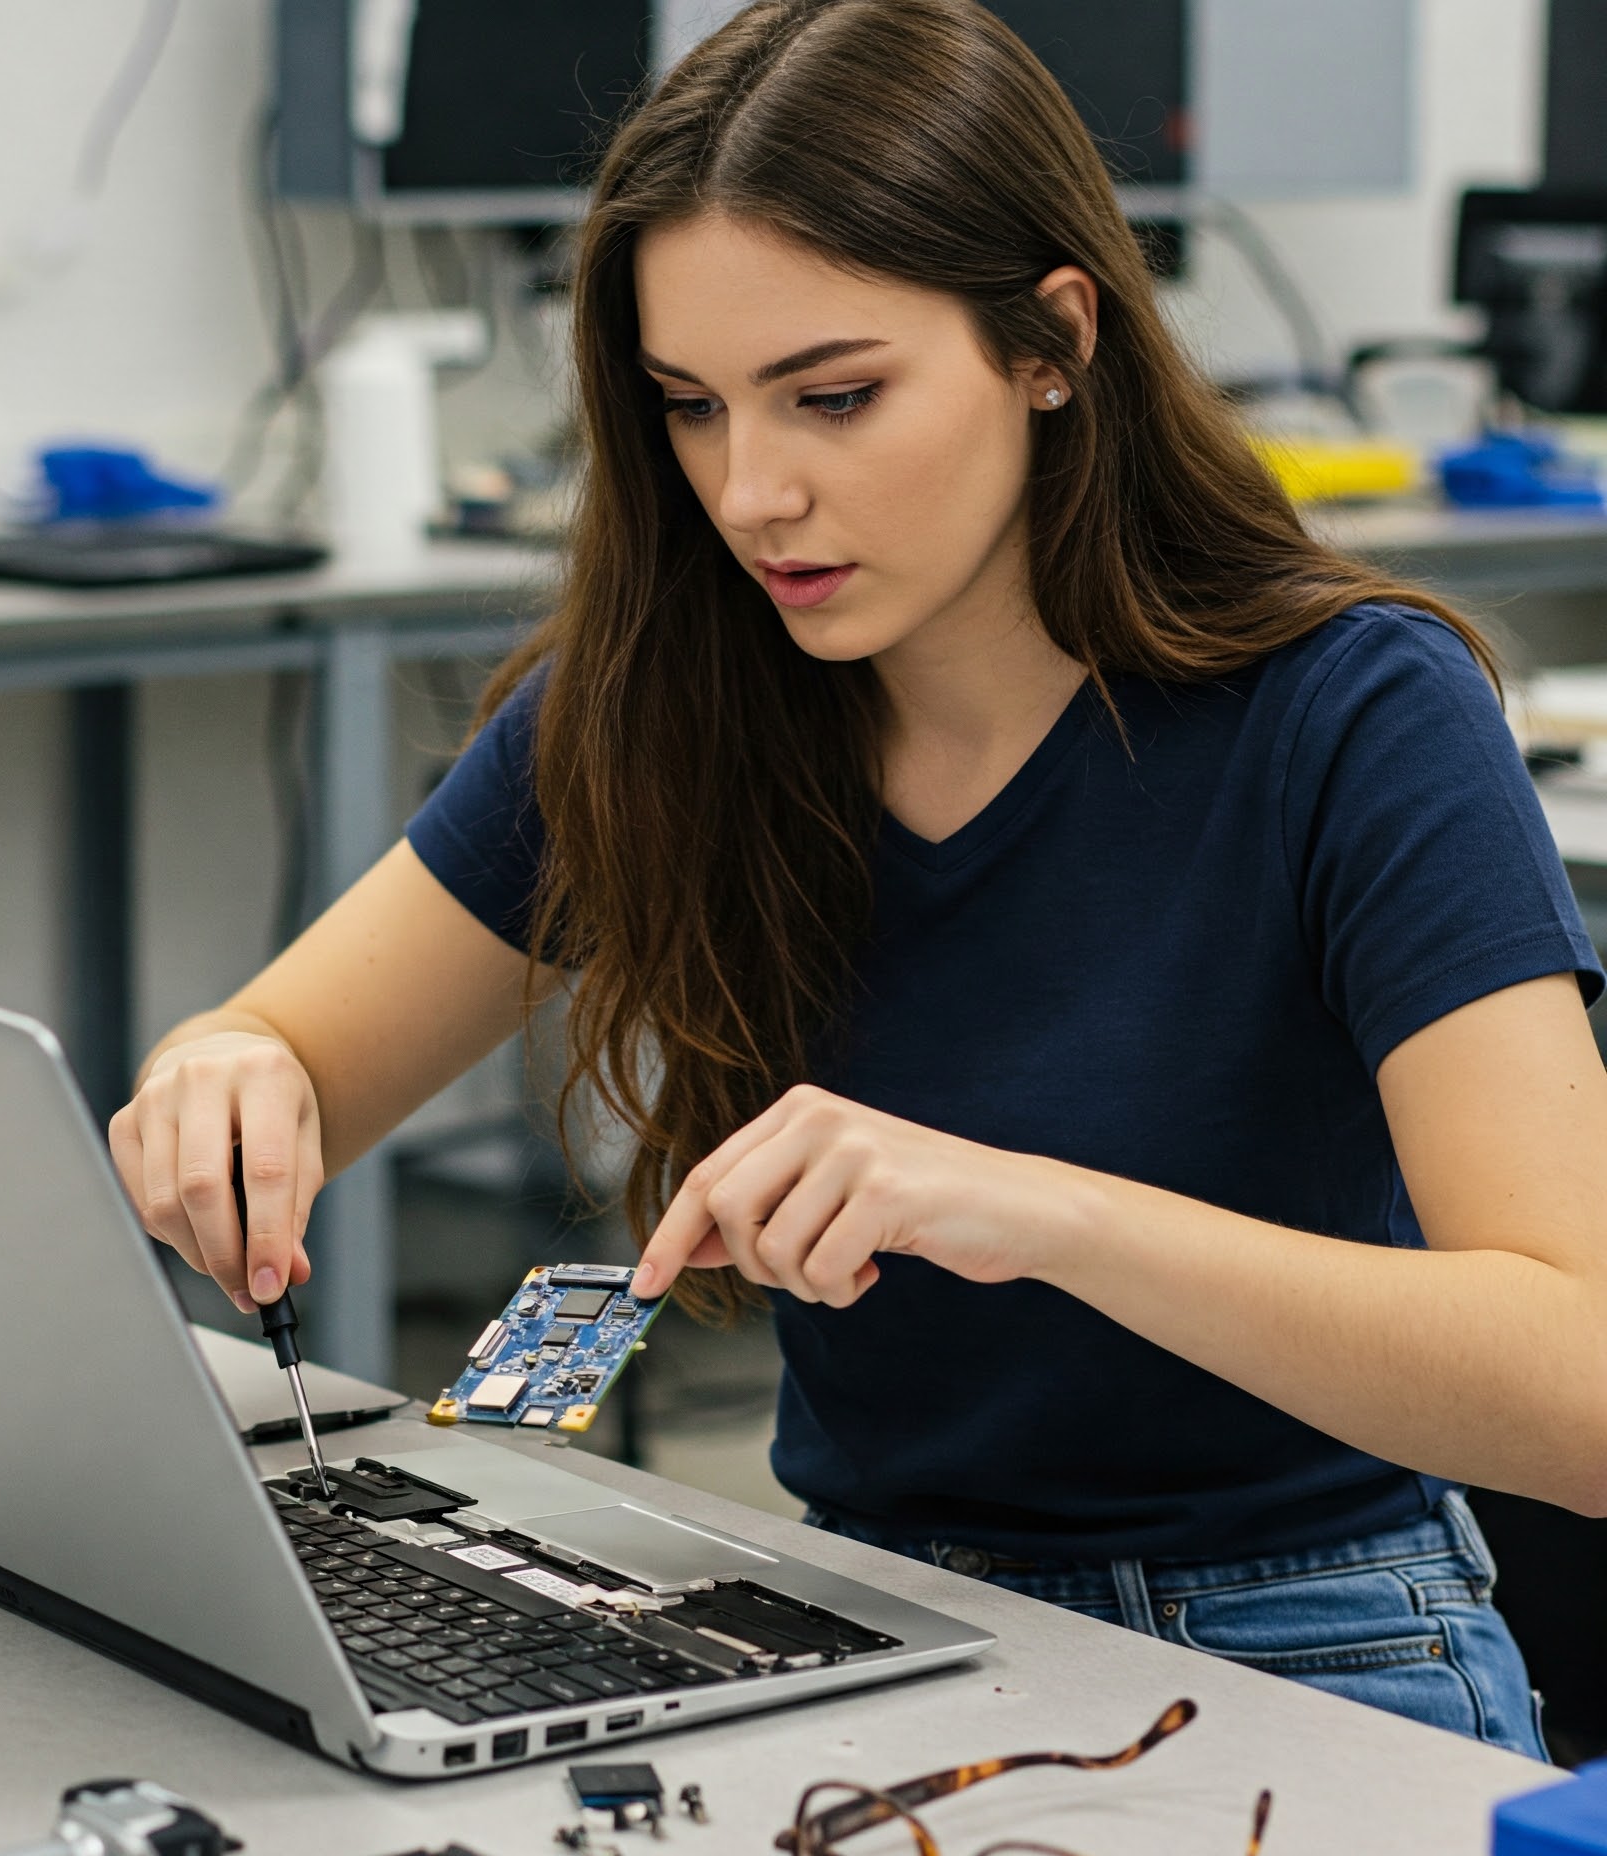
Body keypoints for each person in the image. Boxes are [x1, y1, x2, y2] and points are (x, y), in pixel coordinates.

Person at [111, 0, 1607, 1758]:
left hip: (1309, 1643)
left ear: (1054, 341)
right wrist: (222, 1067)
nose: (754, 494)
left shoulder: (1352, 714)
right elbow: (293, 1049)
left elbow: (1577, 1382)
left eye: (836, 396)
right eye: (690, 408)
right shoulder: (667, 697)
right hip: (861, 1623)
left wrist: (1040, 1213)